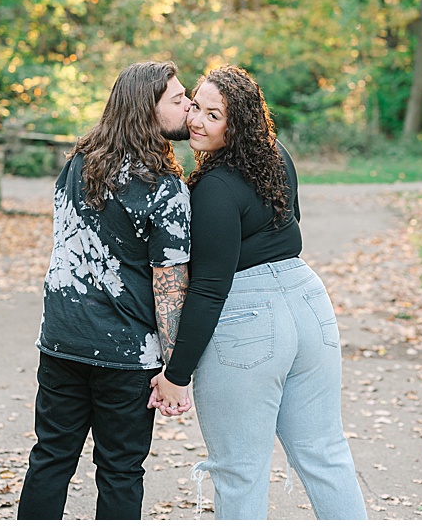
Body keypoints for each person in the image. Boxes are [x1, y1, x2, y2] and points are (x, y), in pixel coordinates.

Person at [148, 67, 365, 521]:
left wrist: (177, 373)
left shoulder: (214, 188)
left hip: (249, 316)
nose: (197, 122)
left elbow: (209, 287)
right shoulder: (276, 155)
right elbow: (291, 219)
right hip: (309, 302)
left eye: (214, 115)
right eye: (197, 108)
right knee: (325, 453)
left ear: (238, 123)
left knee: (240, 472)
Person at [17, 60, 194, 520]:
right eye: (177, 100)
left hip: (60, 340)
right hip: (126, 357)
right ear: (147, 111)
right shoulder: (166, 189)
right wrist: (175, 372)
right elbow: (169, 286)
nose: (189, 105)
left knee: (51, 457)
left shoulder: (78, 164)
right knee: (119, 471)